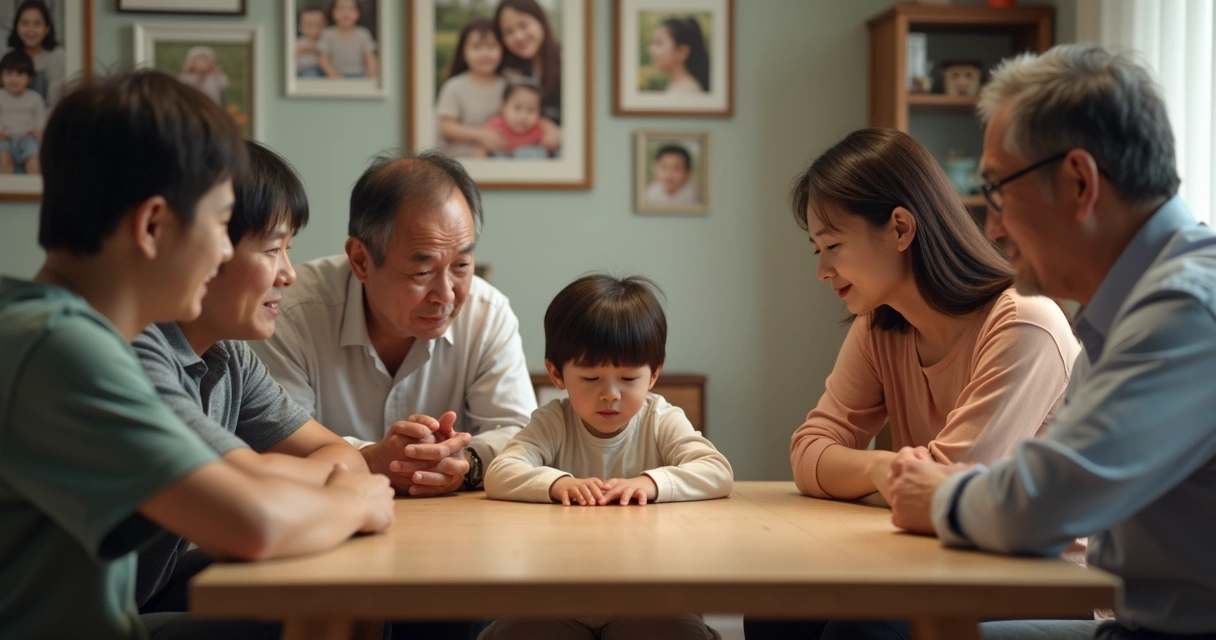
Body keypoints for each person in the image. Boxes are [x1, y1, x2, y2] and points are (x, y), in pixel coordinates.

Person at [0, 69, 394, 640]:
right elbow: (252, 522)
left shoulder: (57, 331)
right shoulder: (61, 349)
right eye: (219, 223)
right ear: (153, 226)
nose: (222, 252)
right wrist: (355, 501)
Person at [887, 43, 1216, 640]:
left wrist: (941, 497)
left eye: (996, 190)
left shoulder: (1186, 310)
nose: (991, 226)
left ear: (1080, 182)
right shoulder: (1117, 314)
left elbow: (1047, 502)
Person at [744, 128, 1079, 640]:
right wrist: (880, 467)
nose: (822, 270)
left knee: (863, 632)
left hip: (1046, 580)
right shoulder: (880, 325)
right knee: (776, 609)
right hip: (941, 562)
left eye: (832, 245)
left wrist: (879, 478)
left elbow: (941, 490)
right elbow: (810, 451)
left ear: (900, 228)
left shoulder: (1024, 324)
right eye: (817, 250)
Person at [131, 139, 377, 621]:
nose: (289, 274)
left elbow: (342, 456)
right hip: (91, 618)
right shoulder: (138, 349)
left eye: (289, 249)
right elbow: (246, 502)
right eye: (271, 249)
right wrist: (352, 501)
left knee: (351, 589)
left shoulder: (229, 356)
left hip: (150, 588)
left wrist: (273, 476)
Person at [251, 150, 536, 498]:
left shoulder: (487, 314)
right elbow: (277, 440)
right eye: (423, 272)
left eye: (462, 265)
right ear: (361, 260)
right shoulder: (289, 312)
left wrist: (464, 464)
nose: (447, 294)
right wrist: (370, 459)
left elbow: (521, 433)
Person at [482, 274, 731, 639]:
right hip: (556, 594)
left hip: (651, 595)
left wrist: (650, 482)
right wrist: (557, 483)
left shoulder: (661, 419)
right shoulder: (553, 421)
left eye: (628, 379)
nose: (610, 394)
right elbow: (500, 472)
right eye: (590, 378)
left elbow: (717, 470)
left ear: (654, 374)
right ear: (557, 373)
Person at [436, 17, 507, 158]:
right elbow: (447, 128)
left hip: (499, 162)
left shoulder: (507, 86)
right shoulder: (454, 87)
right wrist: (481, 135)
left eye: (491, 47)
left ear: (502, 50)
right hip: (460, 162)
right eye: (476, 47)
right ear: (464, 53)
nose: (485, 53)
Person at [495, 0, 560, 150]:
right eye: (508, 32)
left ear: (540, 20)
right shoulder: (507, 71)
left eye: (523, 25)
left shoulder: (569, 60)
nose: (518, 36)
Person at [5, 0, 64, 106]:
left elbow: (55, 101)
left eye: (37, 24)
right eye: (25, 24)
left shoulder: (57, 56)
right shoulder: (9, 56)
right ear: (16, 27)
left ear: (47, 28)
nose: (30, 30)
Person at [0, 49, 45, 174]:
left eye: (19, 74)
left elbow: (40, 116)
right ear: (1, 76)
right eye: (9, 74)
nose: (14, 79)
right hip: (5, 138)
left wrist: (38, 130)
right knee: (3, 157)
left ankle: (34, 185)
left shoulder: (35, 98)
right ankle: (6, 185)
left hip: (28, 138)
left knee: (34, 159)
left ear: (30, 78)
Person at [647, 16, 709, 94]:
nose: (651, 49)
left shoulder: (687, 92)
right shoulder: (678, 86)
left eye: (659, 43)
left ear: (681, 52)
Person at [482, 81, 545, 158]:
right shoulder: (496, 125)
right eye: (517, 108)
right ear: (503, 107)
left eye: (530, 110)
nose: (523, 116)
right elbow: (482, 147)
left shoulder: (540, 128)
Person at [318, 0, 378, 80]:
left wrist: (370, 77)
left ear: (358, 13)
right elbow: (323, 59)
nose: (346, 13)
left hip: (359, 76)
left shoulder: (363, 34)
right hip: (335, 77)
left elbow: (370, 58)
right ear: (333, 12)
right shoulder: (327, 34)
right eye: (341, 9)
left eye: (351, 8)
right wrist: (332, 73)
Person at [295, 6, 327, 78]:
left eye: (319, 25)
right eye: (309, 26)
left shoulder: (327, 41)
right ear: (300, 27)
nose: (314, 29)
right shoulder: (298, 43)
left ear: (325, 25)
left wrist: (316, 50)